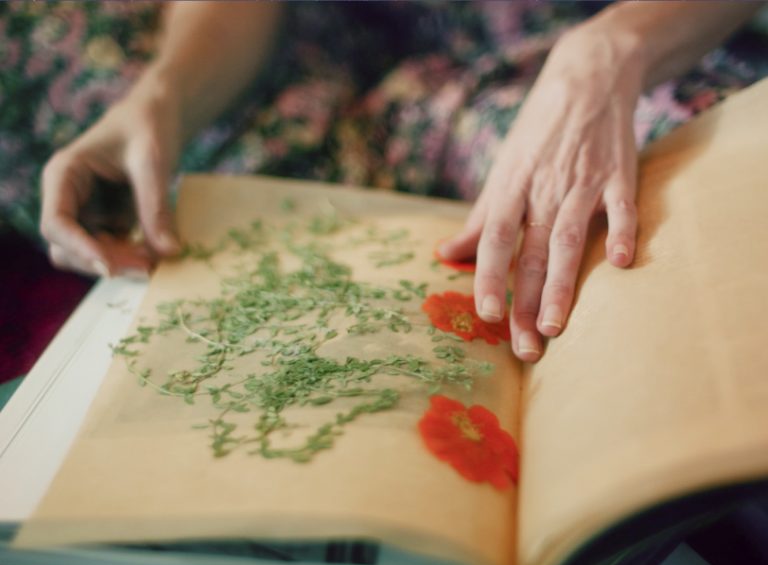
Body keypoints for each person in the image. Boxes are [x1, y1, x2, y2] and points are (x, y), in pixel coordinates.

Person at [21, 1, 767, 362]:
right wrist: (163, 96)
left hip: (626, 35)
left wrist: (608, 51)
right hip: (378, 94)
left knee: (682, 215)